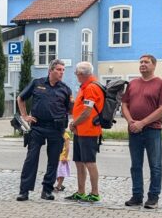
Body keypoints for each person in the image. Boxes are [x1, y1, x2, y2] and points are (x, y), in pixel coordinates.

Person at [16, 59, 73, 202]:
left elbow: (69, 109)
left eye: (63, 70)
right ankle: (24, 191)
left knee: (53, 160)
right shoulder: (37, 83)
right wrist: (24, 116)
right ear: (50, 70)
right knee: (31, 159)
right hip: (38, 127)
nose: (61, 72)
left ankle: (47, 190)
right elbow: (21, 98)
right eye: (59, 69)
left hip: (56, 128)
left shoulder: (65, 89)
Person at [121, 54, 162, 209]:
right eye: (141, 62)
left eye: (146, 62)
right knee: (135, 165)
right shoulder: (133, 83)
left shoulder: (161, 84)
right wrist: (130, 122)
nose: (143, 64)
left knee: (155, 165)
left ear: (154, 65)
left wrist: (142, 123)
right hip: (134, 130)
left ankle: (153, 198)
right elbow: (124, 104)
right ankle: (136, 196)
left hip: (152, 130)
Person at [66, 61, 104, 202]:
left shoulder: (91, 88)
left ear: (81, 74)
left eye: (76, 73)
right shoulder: (85, 86)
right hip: (80, 131)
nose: (76, 76)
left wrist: (74, 122)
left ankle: (94, 193)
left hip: (88, 130)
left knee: (89, 161)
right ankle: (81, 191)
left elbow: (87, 111)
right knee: (79, 161)